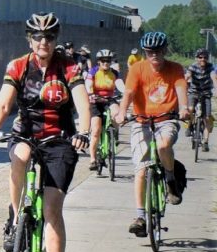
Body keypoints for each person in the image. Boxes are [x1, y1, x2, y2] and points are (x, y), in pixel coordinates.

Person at [0, 12, 90, 252]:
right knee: (20, 155)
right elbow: (4, 103)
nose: (44, 42)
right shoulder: (18, 66)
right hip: (26, 135)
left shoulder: (69, 66)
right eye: (38, 37)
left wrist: (82, 131)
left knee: (53, 209)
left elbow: (83, 103)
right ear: (29, 39)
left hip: (60, 140)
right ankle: (16, 218)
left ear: (56, 39)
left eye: (50, 37)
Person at [115, 31, 189, 237]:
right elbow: (129, 92)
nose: (154, 55)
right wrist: (122, 112)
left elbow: (181, 88)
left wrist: (184, 107)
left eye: (157, 51)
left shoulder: (175, 68)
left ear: (165, 50)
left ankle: (170, 178)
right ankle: (140, 216)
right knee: (141, 168)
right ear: (144, 52)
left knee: (164, 145)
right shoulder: (137, 68)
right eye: (149, 52)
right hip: (142, 121)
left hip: (167, 119)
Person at [86, 49, 125, 170]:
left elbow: (119, 84)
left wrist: (125, 92)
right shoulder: (93, 71)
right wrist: (90, 93)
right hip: (96, 100)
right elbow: (88, 83)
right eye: (103, 61)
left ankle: (115, 134)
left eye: (108, 60)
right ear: (99, 62)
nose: (106, 63)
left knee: (117, 114)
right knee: (96, 130)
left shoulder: (114, 72)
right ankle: (92, 160)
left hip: (109, 99)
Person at [185, 48, 217, 151]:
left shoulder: (211, 67)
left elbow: (214, 77)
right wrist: (184, 81)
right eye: (200, 57)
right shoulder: (193, 67)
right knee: (190, 109)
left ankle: (205, 142)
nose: (203, 59)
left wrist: (216, 88)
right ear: (197, 58)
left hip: (206, 94)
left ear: (207, 58)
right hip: (193, 93)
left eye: (205, 57)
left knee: (207, 118)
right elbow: (188, 75)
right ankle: (190, 126)